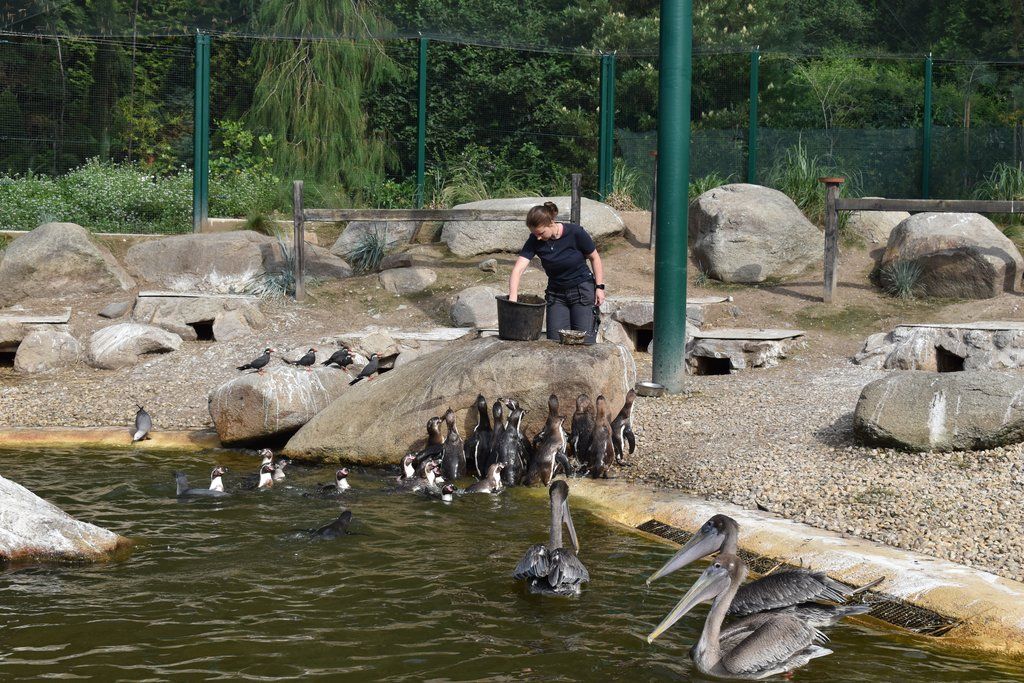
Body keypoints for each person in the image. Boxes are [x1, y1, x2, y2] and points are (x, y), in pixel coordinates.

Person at [508, 201, 605, 344]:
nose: (538, 238)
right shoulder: (535, 239)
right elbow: (518, 269)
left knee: (583, 342)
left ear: (551, 222)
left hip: (582, 290)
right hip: (556, 294)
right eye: (535, 234)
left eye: (541, 233)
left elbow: (594, 258)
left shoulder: (575, 232)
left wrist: (599, 287)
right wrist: (513, 298)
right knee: (555, 343)